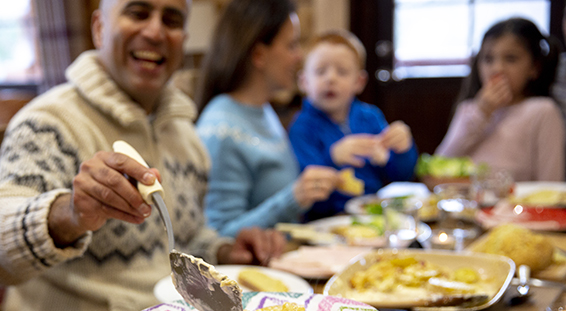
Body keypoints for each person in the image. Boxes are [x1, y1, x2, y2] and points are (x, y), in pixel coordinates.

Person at [0, 0, 286, 311]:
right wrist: (69, 214)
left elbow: (184, 238)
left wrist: (224, 250)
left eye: (172, 19)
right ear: (99, 27)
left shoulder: (185, 136)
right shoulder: (49, 123)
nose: (154, 30)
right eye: (137, 13)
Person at [194, 0, 339, 238]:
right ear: (260, 55)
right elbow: (218, 238)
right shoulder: (220, 129)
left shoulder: (263, 110)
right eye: (292, 46)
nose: (299, 56)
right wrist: (294, 199)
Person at [288, 30, 418, 220]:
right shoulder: (301, 128)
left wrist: (403, 150)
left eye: (342, 72)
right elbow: (307, 195)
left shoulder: (371, 118)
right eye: (320, 71)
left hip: (373, 216)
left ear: (359, 81)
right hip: (325, 221)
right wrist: (332, 158)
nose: (330, 79)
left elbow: (400, 175)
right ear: (304, 82)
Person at [435, 17, 565, 182]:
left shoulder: (543, 111)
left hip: (519, 206)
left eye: (511, 59)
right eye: (488, 59)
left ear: (534, 67)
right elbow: (439, 165)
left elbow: (551, 186)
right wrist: (481, 112)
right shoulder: (469, 109)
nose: (497, 68)